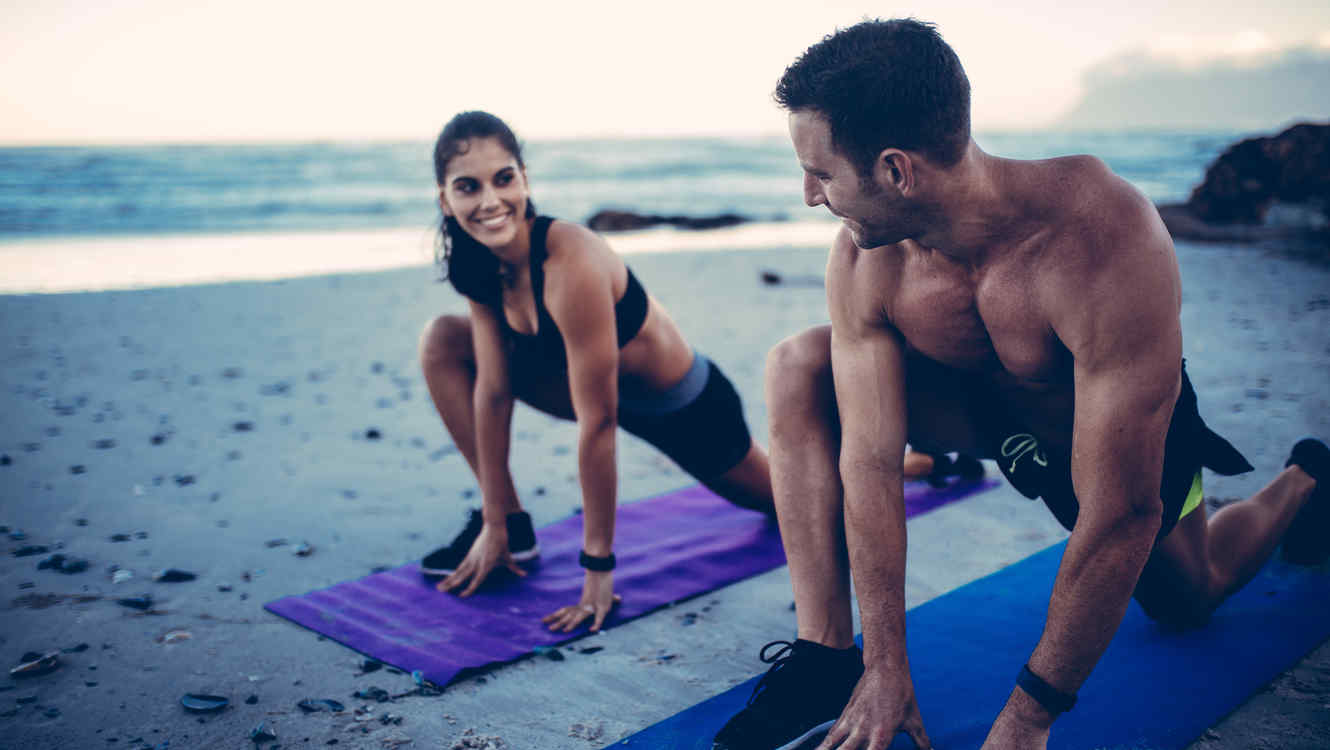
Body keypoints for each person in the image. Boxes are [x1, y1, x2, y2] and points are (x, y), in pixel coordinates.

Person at [711, 19, 1329, 750]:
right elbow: (870, 461)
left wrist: (1028, 717)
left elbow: (1125, 512)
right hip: (979, 411)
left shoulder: (1102, 239)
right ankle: (824, 659)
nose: (810, 194)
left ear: (896, 171)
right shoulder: (865, 260)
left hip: (1098, 426)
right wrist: (883, 668)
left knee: (1190, 596)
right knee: (798, 367)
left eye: (821, 172)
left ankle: (1303, 479)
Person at [419, 111, 774, 634]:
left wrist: (598, 570)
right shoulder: (482, 264)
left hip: (682, 407)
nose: (490, 201)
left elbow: (598, 423)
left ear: (524, 178)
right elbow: (493, 392)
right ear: (445, 199)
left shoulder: (570, 262)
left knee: (796, 504)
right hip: (588, 389)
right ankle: (513, 528)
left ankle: (908, 465)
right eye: (468, 187)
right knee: (444, 341)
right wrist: (493, 519)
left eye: (503, 179)